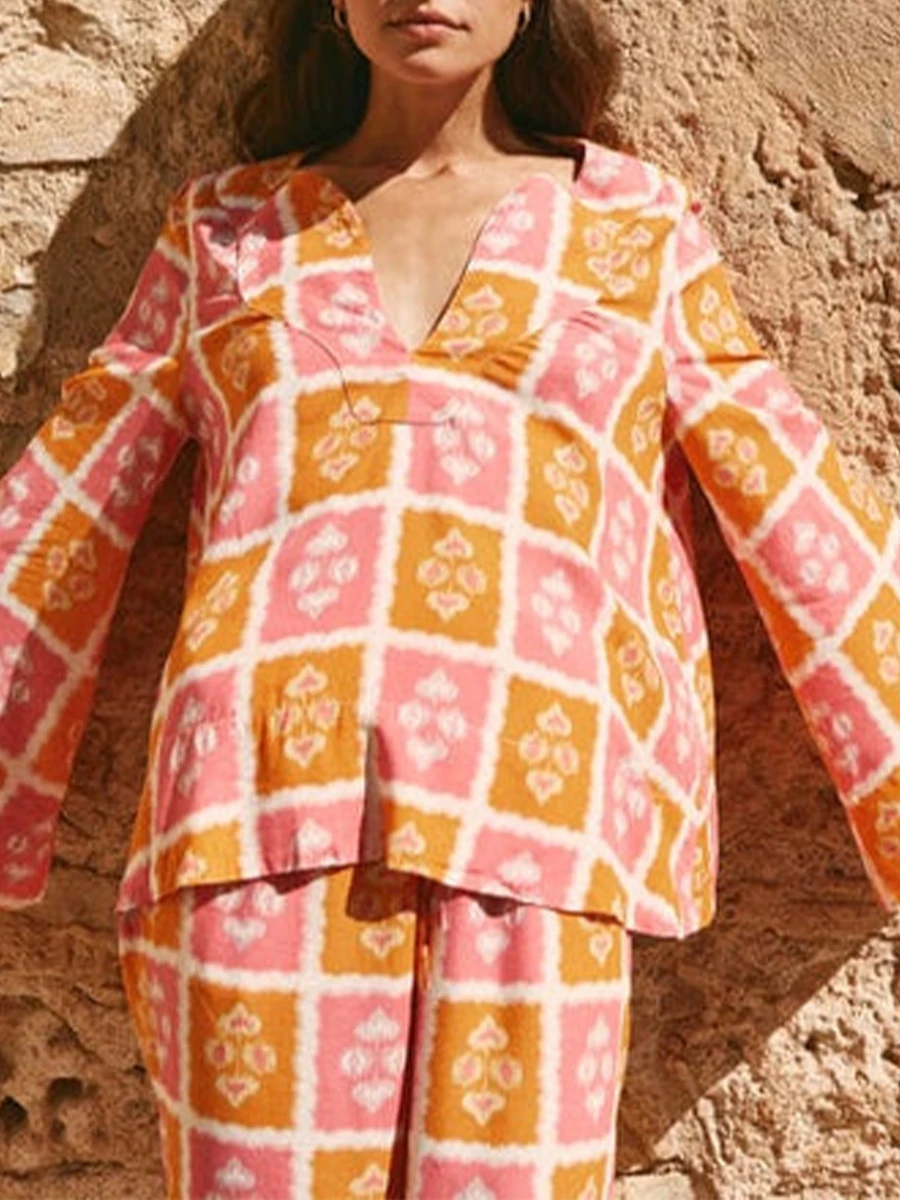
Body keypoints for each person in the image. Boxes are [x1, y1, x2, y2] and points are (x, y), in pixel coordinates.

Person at [1, 0, 899, 1196]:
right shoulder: (228, 230)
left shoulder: (634, 226)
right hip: (253, 807)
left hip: (535, 808)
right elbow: (65, 501)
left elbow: (789, 490)